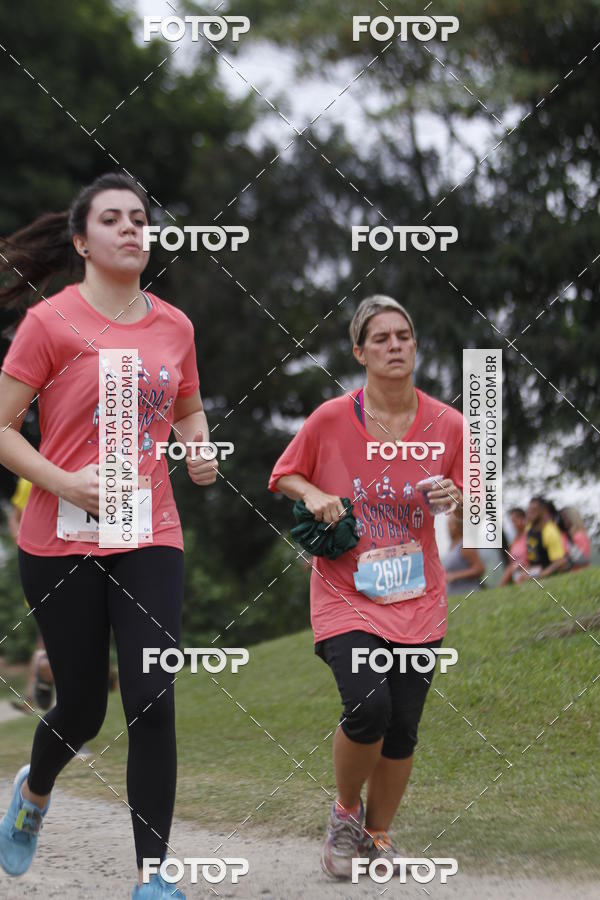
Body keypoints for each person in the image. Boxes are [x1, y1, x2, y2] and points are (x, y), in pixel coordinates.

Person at [0, 172, 218, 899]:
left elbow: (187, 405)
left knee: (153, 694)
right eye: (114, 219)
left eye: (140, 219)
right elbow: (1, 428)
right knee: (85, 708)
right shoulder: (50, 323)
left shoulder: (175, 325)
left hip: (148, 530)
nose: (131, 228)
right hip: (58, 539)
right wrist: (64, 482)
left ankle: (153, 877)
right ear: (81, 240)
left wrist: (197, 445)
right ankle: (34, 793)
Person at [268, 295, 464, 879]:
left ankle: (378, 835)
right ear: (359, 351)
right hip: (346, 592)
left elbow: (475, 493)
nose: (395, 345)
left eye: (403, 335)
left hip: (417, 595)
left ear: (416, 344)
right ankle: (345, 815)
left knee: (403, 724)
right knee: (369, 705)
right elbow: (283, 475)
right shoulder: (331, 418)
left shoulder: (448, 424)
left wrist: (457, 498)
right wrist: (315, 494)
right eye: (380, 338)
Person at [7, 477, 55, 714]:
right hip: (46, 567)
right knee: (48, 637)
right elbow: (14, 518)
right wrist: (26, 545)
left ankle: (32, 694)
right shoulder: (29, 480)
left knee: (45, 639)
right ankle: (37, 691)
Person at [519, 497, 568, 581]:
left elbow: (560, 562)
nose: (530, 513)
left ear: (543, 511)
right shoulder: (529, 529)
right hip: (534, 572)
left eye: (534, 510)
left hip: (550, 577)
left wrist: (539, 575)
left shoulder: (550, 532)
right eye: (529, 510)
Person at [442, 512, 485, 595]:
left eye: (450, 524)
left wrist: (455, 576)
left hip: (470, 594)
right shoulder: (451, 547)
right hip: (455, 595)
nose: (447, 527)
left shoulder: (464, 545)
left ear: (457, 526)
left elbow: (480, 568)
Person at [498, 507, 529, 586]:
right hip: (516, 574)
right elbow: (511, 562)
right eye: (512, 522)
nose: (514, 525)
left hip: (528, 571)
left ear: (523, 519)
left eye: (515, 521)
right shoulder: (514, 540)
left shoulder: (530, 536)